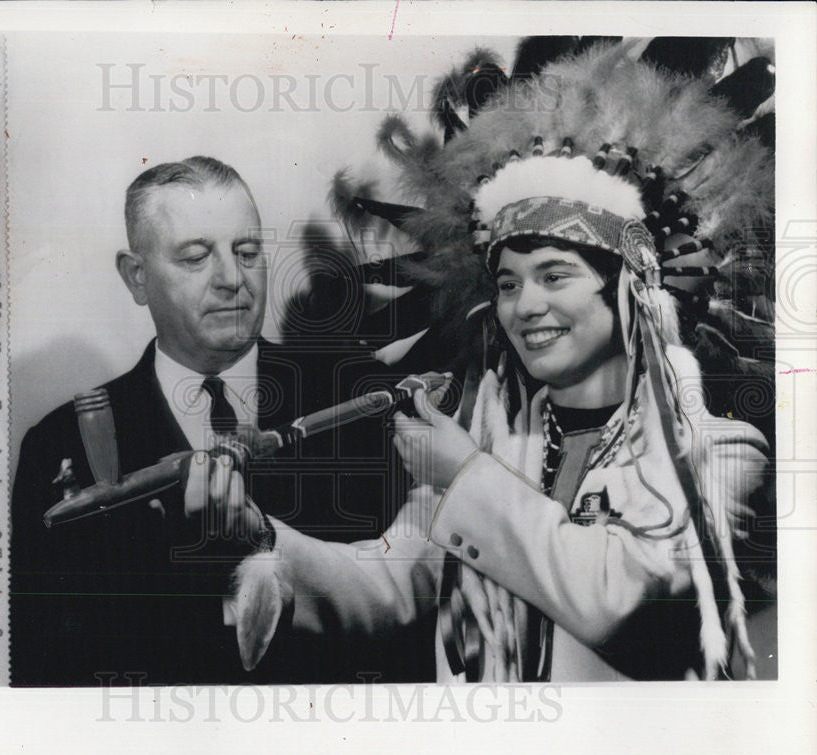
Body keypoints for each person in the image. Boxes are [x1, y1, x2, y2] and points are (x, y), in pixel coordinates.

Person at [221, 43, 774, 682]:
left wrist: (464, 473)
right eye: (507, 283)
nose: (525, 306)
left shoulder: (720, 452)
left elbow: (626, 606)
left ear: (631, 286)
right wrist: (262, 537)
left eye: (554, 275)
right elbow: (393, 585)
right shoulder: (493, 434)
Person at [9, 156, 434, 686]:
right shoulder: (58, 445)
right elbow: (45, 666)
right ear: (136, 277)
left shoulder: (361, 398)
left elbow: (414, 617)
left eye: (248, 252)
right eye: (195, 258)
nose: (232, 279)